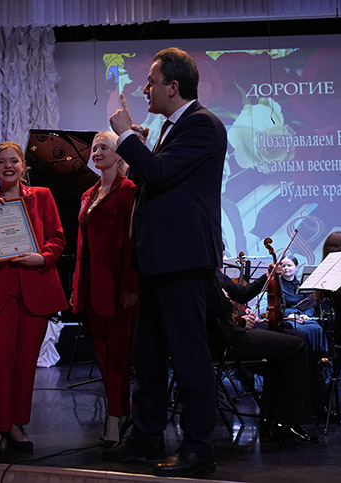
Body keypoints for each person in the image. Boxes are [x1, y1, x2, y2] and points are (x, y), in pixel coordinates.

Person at [103, 47, 225, 477]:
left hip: (183, 260)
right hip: (158, 260)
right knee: (149, 356)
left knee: (189, 357)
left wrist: (125, 137)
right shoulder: (171, 128)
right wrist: (137, 145)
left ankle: (198, 447)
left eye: (151, 82)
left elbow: (156, 173)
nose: (145, 89)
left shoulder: (202, 124)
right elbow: (154, 178)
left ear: (173, 87)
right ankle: (146, 435)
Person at [0, 141, 68, 455]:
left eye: (14, 161)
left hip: (35, 288)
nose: (8, 166)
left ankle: (16, 423)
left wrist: (43, 257)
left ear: (23, 166)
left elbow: (58, 238)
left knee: (26, 361)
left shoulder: (42, 196)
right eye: (2, 161)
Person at [71, 131, 137, 447]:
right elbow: (82, 245)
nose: (96, 152)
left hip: (119, 286)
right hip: (92, 285)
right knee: (103, 356)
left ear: (118, 153)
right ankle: (118, 412)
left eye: (104, 148)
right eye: (94, 148)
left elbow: (132, 241)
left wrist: (130, 285)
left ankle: (117, 415)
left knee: (119, 357)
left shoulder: (129, 190)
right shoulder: (88, 193)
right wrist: (77, 286)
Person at [213, 270, 319, 444]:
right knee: (296, 346)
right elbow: (217, 309)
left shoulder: (213, 272)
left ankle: (271, 418)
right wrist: (240, 319)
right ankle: (289, 421)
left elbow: (240, 294)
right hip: (225, 340)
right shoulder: (203, 273)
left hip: (232, 332)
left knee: (294, 337)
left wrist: (268, 275)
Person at [280, 256, 328, 355]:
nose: (286, 268)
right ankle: (303, 356)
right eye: (283, 266)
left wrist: (305, 315)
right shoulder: (276, 286)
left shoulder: (302, 284)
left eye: (289, 265)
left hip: (303, 316)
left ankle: (319, 358)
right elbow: (275, 308)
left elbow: (309, 304)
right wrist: (289, 315)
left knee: (317, 328)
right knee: (301, 330)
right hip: (287, 317)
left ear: (297, 267)